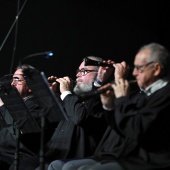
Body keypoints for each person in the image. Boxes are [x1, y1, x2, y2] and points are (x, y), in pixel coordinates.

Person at [49, 42, 170, 170]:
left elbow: (134, 129)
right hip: (110, 155)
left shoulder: (164, 95)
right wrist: (109, 107)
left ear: (156, 69)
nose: (134, 73)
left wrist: (122, 97)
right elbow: (118, 126)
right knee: (58, 165)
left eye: (139, 68)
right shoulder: (143, 95)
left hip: (144, 160)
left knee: (73, 167)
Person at [33, 56, 117, 170]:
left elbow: (79, 117)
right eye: (78, 71)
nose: (77, 75)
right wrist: (52, 95)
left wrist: (66, 92)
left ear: (100, 74)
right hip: (54, 154)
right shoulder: (74, 98)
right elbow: (50, 121)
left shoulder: (103, 97)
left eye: (84, 71)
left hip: (76, 158)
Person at [0, 64, 42, 170]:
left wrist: (2, 106)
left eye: (17, 80)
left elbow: (18, 129)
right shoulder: (9, 104)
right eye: (12, 79)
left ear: (31, 87)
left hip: (17, 155)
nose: (12, 84)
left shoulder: (36, 107)